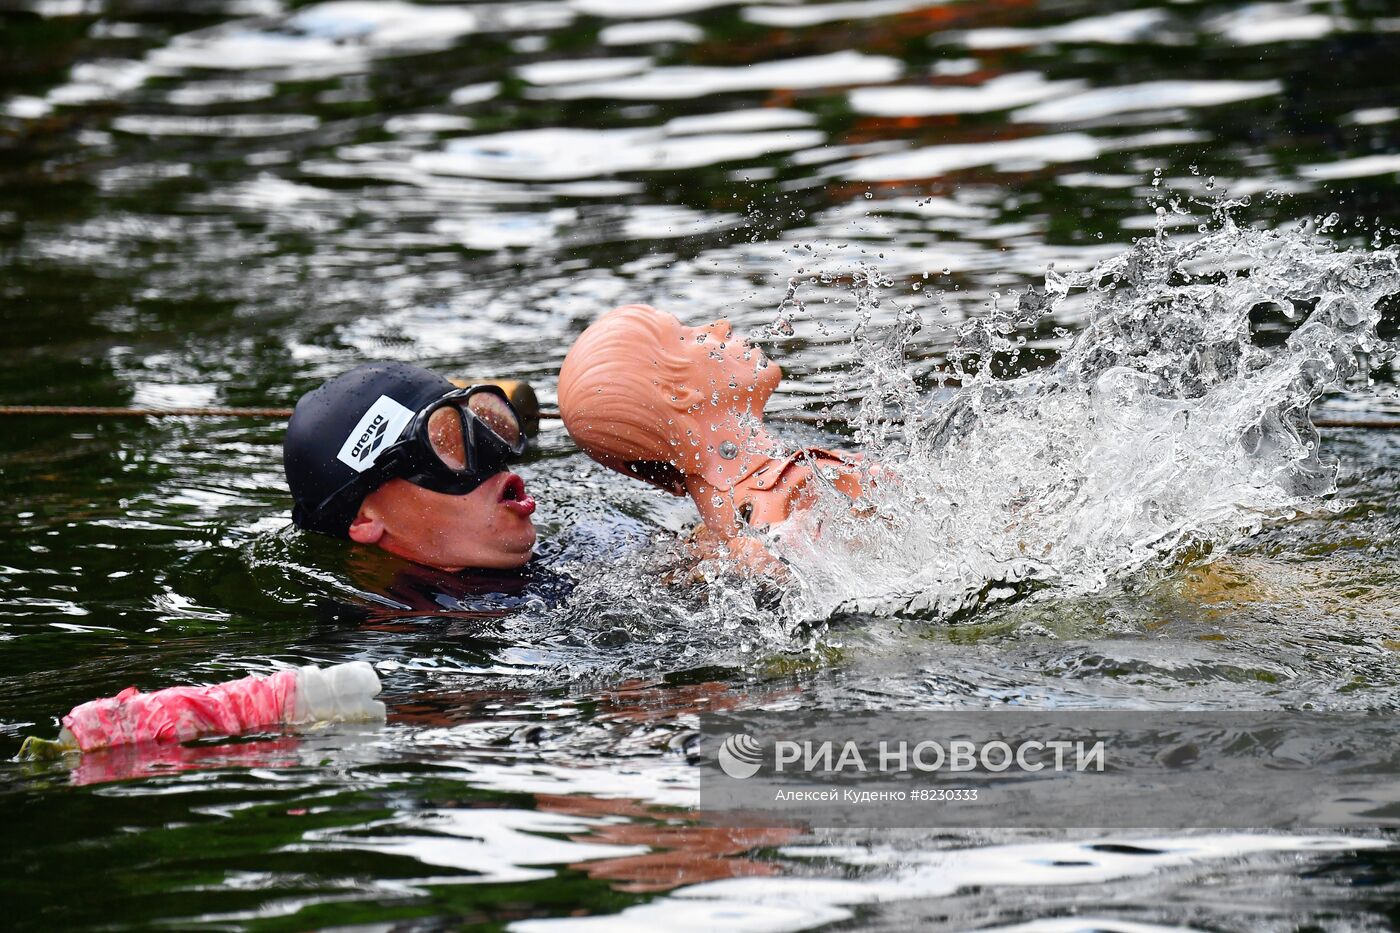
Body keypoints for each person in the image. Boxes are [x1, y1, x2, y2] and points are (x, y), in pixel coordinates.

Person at [557, 304, 869, 567]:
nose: (720, 325)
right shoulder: (810, 488)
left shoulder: (704, 548)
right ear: (679, 393)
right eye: (687, 335)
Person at [283, 362, 537, 571]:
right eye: (445, 445)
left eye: (485, 422)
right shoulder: (384, 629)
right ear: (364, 520)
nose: (494, 453)